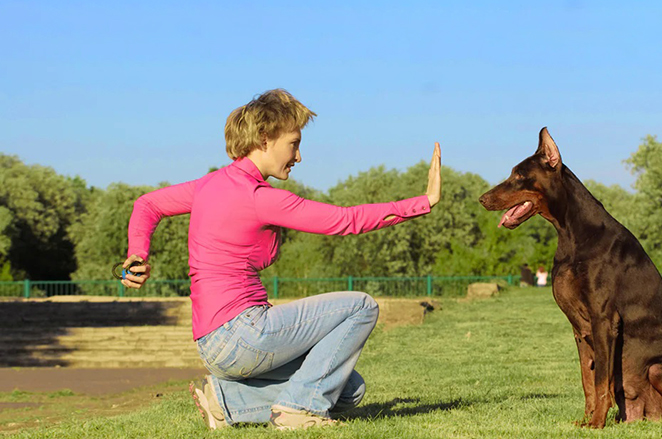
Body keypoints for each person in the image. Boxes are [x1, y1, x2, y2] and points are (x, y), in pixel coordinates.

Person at [119, 89, 442, 431]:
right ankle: (298, 411)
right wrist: (424, 201)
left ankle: (227, 401)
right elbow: (346, 220)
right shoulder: (259, 198)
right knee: (361, 306)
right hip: (243, 334)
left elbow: (147, 204)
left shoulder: (208, 185)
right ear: (264, 139)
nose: (298, 156)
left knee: (349, 389)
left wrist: (137, 251)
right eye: (294, 143)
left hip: (211, 343)